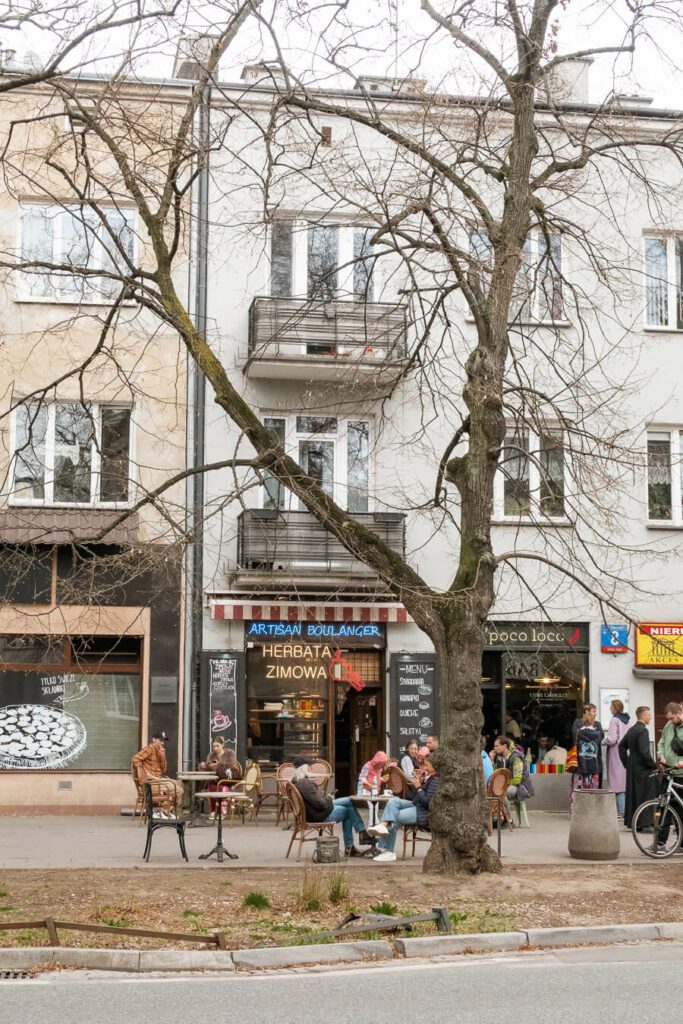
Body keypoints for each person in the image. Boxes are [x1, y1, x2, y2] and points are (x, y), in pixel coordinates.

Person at [291, 755, 370, 856]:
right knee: (347, 810)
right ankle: (354, 842)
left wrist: (325, 798)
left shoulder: (297, 782)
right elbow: (320, 805)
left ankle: (361, 834)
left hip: (312, 812)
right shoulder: (306, 784)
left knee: (349, 801)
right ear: (304, 768)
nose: (312, 768)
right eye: (309, 766)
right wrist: (328, 798)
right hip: (318, 815)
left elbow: (315, 801)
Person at [367, 753, 440, 862]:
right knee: (393, 801)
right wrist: (418, 782)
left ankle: (389, 852)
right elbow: (417, 797)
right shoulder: (430, 778)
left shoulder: (436, 780)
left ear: (435, 766)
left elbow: (427, 803)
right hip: (416, 805)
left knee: (394, 817)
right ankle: (383, 825)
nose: (424, 767)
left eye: (426, 765)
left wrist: (419, 787)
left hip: (423, 812)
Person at [618, 706, 658, 829]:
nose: (650, 717)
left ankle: (634, 821)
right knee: (646, 794)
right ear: (643, 716)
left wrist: (627, 762)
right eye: (649, 715)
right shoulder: (643, 731)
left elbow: (621, 746)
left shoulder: (632, 729)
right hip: (642, 767)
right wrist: (653, 765)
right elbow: (644, 751)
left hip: (632, 765)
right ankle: (644, 823)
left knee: (634, 794)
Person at [132, 732, 183, 817]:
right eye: (160, 740)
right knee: (178, 790)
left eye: (163, 741)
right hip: (151, 782)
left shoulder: (159, 752)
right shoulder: (149, 749)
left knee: (179, 784)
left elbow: (163, 770)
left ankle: (167, 810)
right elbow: (135, 759)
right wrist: (144, 772)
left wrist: (163, 756)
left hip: (158, 779)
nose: (162, 743)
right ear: (154, 740)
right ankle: (165, 811)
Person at [603, 700, 630, 817]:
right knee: (622, 782)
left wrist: (602, 741)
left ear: (615, 708)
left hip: (615, 753)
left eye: (611, 707)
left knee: (616, 783)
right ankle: (624, 810)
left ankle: (620, 811)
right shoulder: (627, 720)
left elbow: (612, 739)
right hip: (625, 752)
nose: (610, 709)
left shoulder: (615, 720)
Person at [571, 705, 604, 799]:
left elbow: (575, 742)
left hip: (581, 764)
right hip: (593, 765)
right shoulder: (578, 723)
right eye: (593, 711)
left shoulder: (579, 732)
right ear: (586, 711)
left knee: (578, 792)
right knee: (593, 793)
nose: (595, 713)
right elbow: (601, 739)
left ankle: (578, 806)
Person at [491, 735, 533, 801]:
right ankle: (502, 808)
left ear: (504, 746)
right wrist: (492, 759)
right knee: (492, 790)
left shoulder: (516, 758)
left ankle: (506, 808)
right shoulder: (500, 758)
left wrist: (503, 784)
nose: (494, 748)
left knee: (501, 792)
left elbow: (517, 780)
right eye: (494, 746)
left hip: (521, 788)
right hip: (508, 785)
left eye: (497, 746)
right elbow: (496, 773)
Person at [657, 702, 683, 779]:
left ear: (679, 713)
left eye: (672, 718)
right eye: (668, 719)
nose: (670, 721)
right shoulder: (669, 724)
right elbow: (661, 743)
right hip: (668, 772)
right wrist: (661, 756)